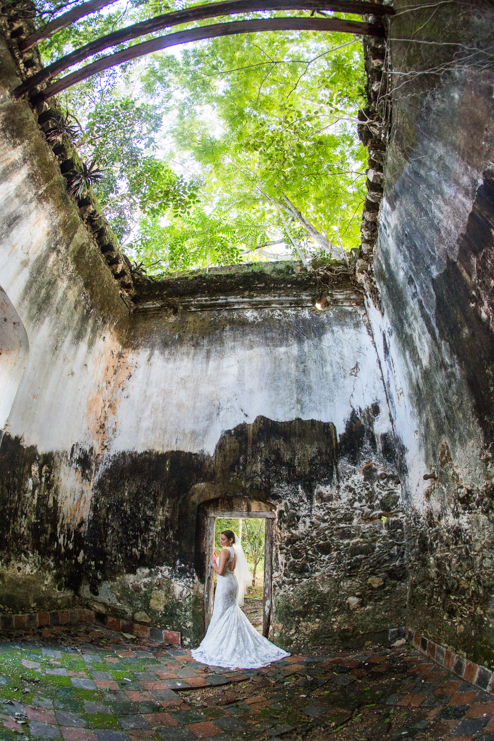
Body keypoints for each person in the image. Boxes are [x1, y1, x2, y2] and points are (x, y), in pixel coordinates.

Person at [191, 529, 290, 669]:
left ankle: (222, 644)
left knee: (221, 611)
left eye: (223, 539)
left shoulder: (224, 552)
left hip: (225, 584)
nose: (221, 541)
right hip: (232, 583)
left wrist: (213, 561)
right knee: (229, 610)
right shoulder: (234, 552)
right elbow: (230, 568)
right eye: (220, 539)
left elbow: (220, 571)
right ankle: (228, 640)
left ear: (231, 540)